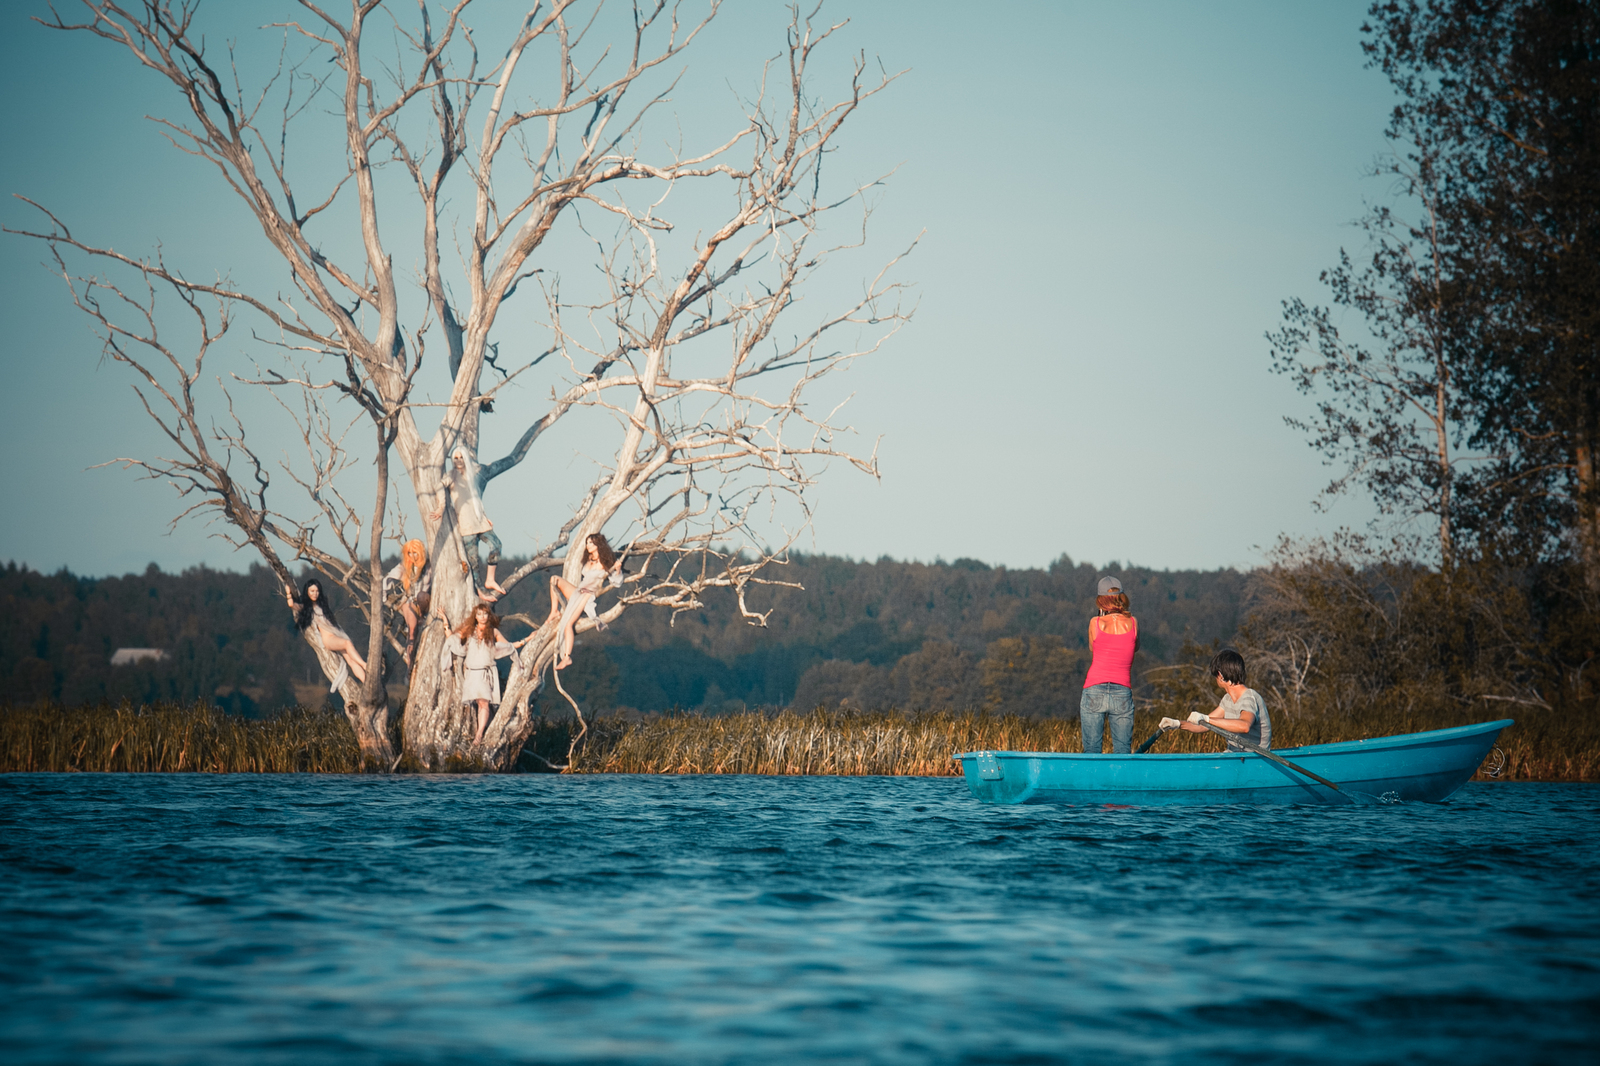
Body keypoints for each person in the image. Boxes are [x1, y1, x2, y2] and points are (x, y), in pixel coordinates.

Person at [440, 603, 523, 745]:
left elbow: (507, 646)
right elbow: (453, 640)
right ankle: (481, 731)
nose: (482, 617)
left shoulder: (493, 632)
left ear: (489, 615)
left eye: (485, 614)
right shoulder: (469, 630)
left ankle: (479, 735)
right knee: (479, 703)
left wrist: (525, 641)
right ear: (475, 616)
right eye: (479, 614)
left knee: (484, 703)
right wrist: (445, 621)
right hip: (471, 674)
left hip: (485, 673)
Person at [1162, 648, 1273, 751]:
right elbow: (1203, 725)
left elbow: (1244, 726)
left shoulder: (1249, 697)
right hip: (1235, 756)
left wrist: (1207, 719)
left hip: (1252, 759)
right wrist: (1177, 724)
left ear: (1220, 675)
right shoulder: (1227, 699)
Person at [430, 448, 505, 599]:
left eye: (461, 457)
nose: (458, 461)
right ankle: (481, 591)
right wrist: (441, 507)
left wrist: (485, 516)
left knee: (496, 545)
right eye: (455, 458)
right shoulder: (452, 475)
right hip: (466, 525)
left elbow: (475, 498)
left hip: (479, 521)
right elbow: (439, 486)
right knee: (473, 562)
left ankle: (490, 579)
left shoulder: (473, 474)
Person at [547, 532, 624, 670]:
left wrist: (617, 570)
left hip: (587, 595)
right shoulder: (588, 558)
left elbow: (617, 582)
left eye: (591, 543)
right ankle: (554, 611)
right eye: (587, 543)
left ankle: (567, 657)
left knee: (568, 624)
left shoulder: (606, 561)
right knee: (554, 579)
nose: (588, 545)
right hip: (578, 591)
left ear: (598, 545)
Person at [1081, 574, 1137, 754]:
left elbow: (1092, 648)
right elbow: (1134, 647)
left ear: (1101, 600)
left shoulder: (1095, 623)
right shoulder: (1133, 623)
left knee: (1091, 751)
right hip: (1122, 690)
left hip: (1094, 688)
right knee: (1122, 751)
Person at [286, 577, 368, 692]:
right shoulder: (308, 607)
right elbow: (292, 605)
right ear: (307, 592)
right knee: (347, 643)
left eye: (317, 591)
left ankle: (367, 683)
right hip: (329, 639)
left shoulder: (322, 605)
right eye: (312, 591)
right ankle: (365, 665)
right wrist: (288, 592)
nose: (315, 594)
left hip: (337, 635)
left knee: (351, 661)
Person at [383, 539, 432, 666]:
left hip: (425, 602)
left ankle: (422, 617)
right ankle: (410, 663)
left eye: (415, 553)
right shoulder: (404, 567)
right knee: (412, 631)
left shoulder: (429, 567)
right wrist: (383, 596)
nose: (412, 556)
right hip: (410, 602)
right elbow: (387, 579)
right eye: (409, 553)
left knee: (422, 596)